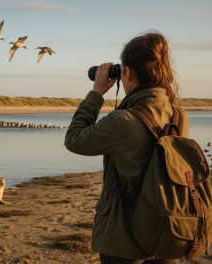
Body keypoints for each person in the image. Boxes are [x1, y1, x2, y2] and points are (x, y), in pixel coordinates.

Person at [64, 32, 189, 264]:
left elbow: (74, 139)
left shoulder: (123, 121)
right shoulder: (179, 116)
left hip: (124, 238)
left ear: (127, 73)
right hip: (167, 229)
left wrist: (96, 93)